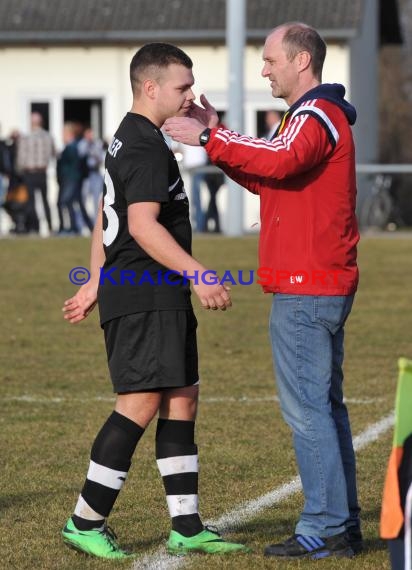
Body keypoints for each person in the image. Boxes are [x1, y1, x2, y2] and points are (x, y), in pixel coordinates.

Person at [164, 22, 361, 560]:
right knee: (325, 408)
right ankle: (342, 523)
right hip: (317, 281)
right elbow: (270, 174)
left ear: (302, 62)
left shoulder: (316, 115)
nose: (264, 69)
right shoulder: (309, 117)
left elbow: (279, 161)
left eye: (271, 59)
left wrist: (210, 137)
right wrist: (220, 135)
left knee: (309, 413)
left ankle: (325, 524)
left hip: (308, 285)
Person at [61, 42, 249, 560]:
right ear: (151, 87)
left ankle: (186, 526)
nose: (190, 95)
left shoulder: (129, 135)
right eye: (182, 87)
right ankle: (84, 520)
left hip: (150, 291)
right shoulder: (144, 146)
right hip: (145, 293)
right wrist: (200, 273)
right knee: (141, 402)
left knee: (182, 395)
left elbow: (106, 217)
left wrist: (95, 279)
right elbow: (139, 225)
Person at [16, 112, 54, 234]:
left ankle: (34, 227)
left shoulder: (26, 137)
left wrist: (19, 170)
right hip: (42, 172)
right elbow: (53, 153)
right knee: (45, 200)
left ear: (32, 123)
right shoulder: (48, 136)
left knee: (31, 201)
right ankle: (50, 226)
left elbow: (21, 158)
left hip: (30, 172)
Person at [56, 122, 83, 235]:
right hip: (67, 180)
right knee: (67, 202)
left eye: (63, 133)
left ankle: (70, 228)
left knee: (65, 202)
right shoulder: (69, 147)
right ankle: (69, 227)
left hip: (70, 179)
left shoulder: (72, 147)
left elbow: (72, 165)